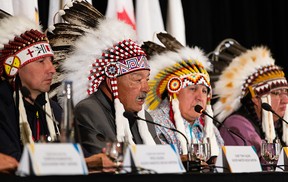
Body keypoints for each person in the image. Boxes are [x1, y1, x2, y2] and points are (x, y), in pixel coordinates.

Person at [48, 1, 160, 172]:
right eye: (137, 80)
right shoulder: (89, 110)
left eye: (147, 79)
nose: (145, 88)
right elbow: (109, 161)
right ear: (112, 80)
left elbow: (159, 157)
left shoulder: (145, 117)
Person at [142, 33, 224, 164]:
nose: (200, 97)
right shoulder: (155, 122)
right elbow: (158, 163)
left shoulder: (210, 128)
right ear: (173, 92)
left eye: (204, 91)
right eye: (192, 89)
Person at [0, 9, 61, 163]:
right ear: (13, 68)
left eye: (51, 61)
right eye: (41, 62)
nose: (52, 70)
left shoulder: (55, 110)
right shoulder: (3, 108)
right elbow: (12, 159)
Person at [210, 39, 288, 157]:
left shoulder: (280, 127)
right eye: (276, 93)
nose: (285, 100)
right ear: (256, 99)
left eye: (286, 92)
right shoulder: (237, 125)